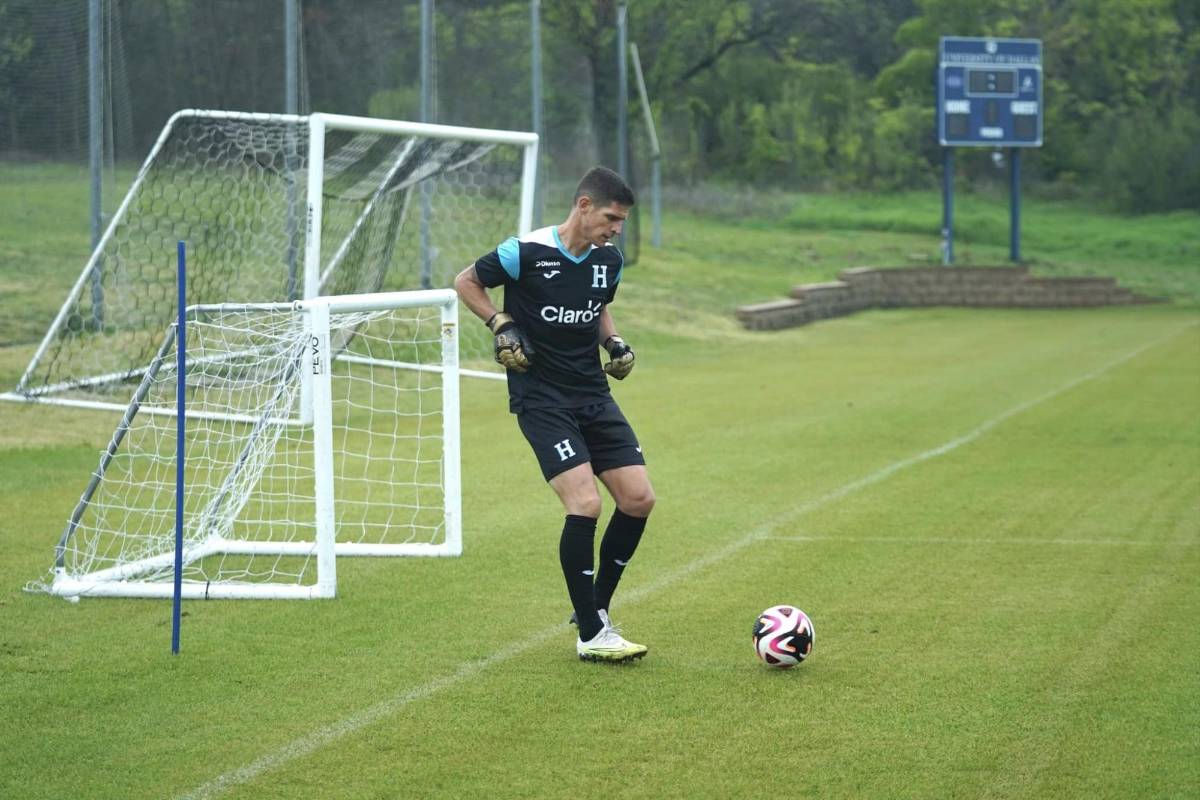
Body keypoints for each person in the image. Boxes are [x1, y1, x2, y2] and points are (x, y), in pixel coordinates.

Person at [454, 166, 654, 663]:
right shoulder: (524, 252)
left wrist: (614, 342)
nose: (616, 229)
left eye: (622, 222)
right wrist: (500, 322)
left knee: (638, 499)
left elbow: (597, 306)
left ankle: (596, 608)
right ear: (583, 206)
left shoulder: (609, 260)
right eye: (611, 218)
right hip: (542, 399)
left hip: (593, 394)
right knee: (585, 504)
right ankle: (591, 633)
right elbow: (467, 282)